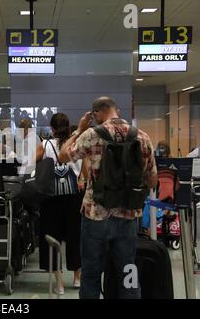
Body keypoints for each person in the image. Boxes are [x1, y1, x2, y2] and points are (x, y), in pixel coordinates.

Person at [58, 96, 158, 299]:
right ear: (116, 111)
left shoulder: (92, 134)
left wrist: (79, 130)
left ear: (96, 114)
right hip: (128, 214)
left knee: (91, 273)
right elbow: (153, 180)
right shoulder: (142, 137)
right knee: (128, 273)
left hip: (95, 214)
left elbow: (63, 156)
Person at [35, 113, 84, 295]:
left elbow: (32, 163)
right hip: (73, 196)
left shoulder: (45, 144)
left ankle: (60, 284)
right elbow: (84, 167)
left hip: (51, 197)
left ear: (52, 128)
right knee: (75, 236)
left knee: (52, 238)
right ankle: (77, 278)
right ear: (68, 126)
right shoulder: (76, 144)